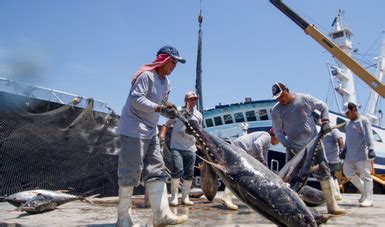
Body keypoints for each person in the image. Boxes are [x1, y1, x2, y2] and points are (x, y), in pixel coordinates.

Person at [116, 45, 188, 226]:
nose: (174, 66)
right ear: (162, 60)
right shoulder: (146, 76)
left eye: (176, 63)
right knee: (130, 172)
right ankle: (123, 219)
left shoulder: (167, 83)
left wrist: (169, 109)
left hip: (151, 130)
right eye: (172, 62)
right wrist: (160, 108)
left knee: (157, 169)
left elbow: (160, 104)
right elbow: (136, 100)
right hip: (133, 129)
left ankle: (161, 215)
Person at [271, 82, 346, 215]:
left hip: (314, 144)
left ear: (287, 90)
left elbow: (323, 106)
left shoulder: (304, 99)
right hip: (294, 149)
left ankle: (332, 205)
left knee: (324, 171)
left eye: (281, 96)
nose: (280, 100)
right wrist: (287, 144)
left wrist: (326, 121)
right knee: (291, 178)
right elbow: (277, 131)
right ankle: (292, 207)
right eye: (277, 98)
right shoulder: (277, 110)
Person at [159, 91, 203, 206]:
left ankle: (185, 197)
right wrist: (162, 135)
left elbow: (200, 131)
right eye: (190, 99)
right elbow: (166, 125)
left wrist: (200, 144)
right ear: (186, 100)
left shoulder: (198, 115)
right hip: (177, 146)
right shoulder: (177, 111)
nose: (193, 101)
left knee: (189, 173)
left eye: (195, 99)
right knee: (177, 169)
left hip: (191, 148)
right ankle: (174, 196)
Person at [221, 128, 279, 210]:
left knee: (246, 175)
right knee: (240, 174)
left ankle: (248, 198)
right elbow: (257, 144)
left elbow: (264, 160)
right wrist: (261, 159)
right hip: (240, 148)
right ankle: (226, 198)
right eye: (279, 139)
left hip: (244, 150)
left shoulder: (267, 144)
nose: (279, 142)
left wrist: (267, 171)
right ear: (275, 136)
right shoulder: (267, 136)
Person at [342, 102, 375, 207]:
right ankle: (364, 192)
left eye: (348, 113)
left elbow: (369, 135)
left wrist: (371, 148)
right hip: (350, 155)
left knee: (366, 176)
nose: (346, 115)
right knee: (347, 172)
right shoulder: (347, 124)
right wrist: (344, 150)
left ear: (354, 109)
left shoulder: (364, 120)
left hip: (362, 154)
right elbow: (348, 139)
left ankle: (369, 198)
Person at [322, 128, 344, 200]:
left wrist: (341, 151)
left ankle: (334, 193)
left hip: (332, 158)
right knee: (332, 175)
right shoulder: (323, 131)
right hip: (326, 158)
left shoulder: (334, 130)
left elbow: (340, 140)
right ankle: (337, 194)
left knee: (328, 175)